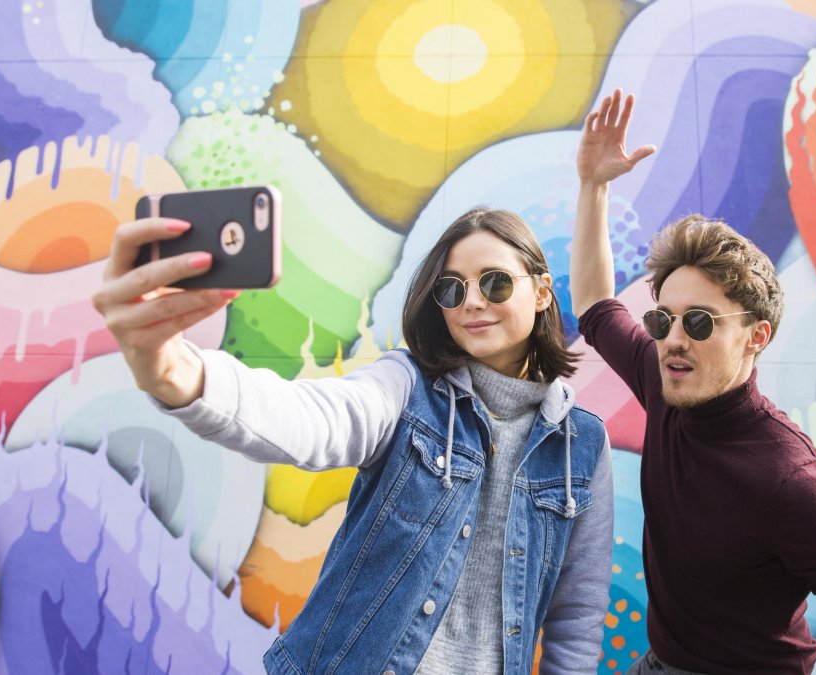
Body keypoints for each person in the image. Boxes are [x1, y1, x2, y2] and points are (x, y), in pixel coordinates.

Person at [92, 207, 614, 674]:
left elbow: (577, 618)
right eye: (452, 289)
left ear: (542, 291)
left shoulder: (582, 444)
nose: (472, 301)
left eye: (495, 283)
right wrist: (176, 371)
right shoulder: (406, 387)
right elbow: (311, 420)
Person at [569, 89, 816, 674]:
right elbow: (593, 302)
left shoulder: (796, 486)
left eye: (700, 321)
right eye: (663, 319)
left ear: (756, 337)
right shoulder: (666, 380)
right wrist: (593, 186)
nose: (673, 339)